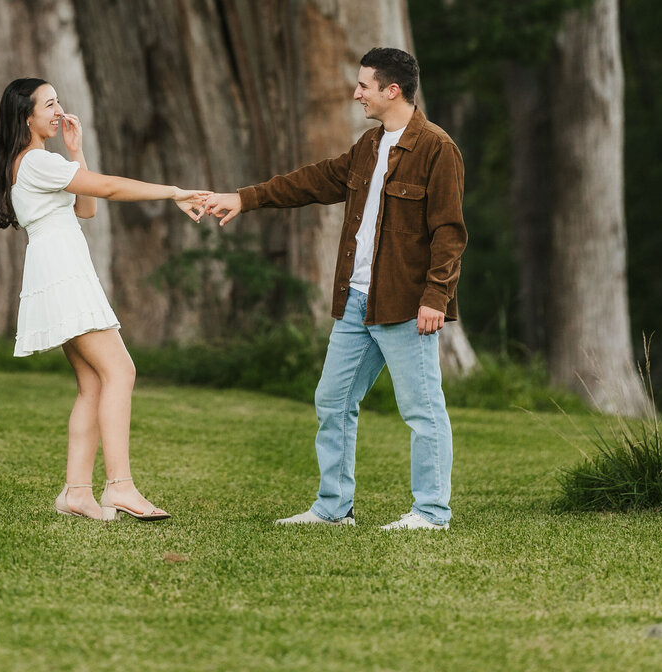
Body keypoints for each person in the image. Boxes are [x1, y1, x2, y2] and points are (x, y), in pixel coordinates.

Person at [199, 47, 466, 532]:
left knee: (423, 411)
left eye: (364, 85)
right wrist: (244, 197)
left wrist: (436, 296)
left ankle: (431, 513)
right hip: (358, 303)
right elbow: (315, 181)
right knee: (332, 400)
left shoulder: (436, 148)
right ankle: (333, 508)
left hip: (407, 305)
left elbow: (449, 232)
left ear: (393, 90)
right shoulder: (369, 145)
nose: (356, 93)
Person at [0, 77, 208, 524]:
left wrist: (76, 153)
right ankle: (120, 486)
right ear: (25, 115)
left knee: (93, 384)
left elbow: (85, 208)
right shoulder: (33, 163)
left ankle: (76, 493)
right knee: (120, 371)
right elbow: (105, 189)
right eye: (48, 105)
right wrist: (173, 191)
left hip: (62, 269)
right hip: (63, 274)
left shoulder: (42, 162)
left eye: (57, 102)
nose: (58, 111)